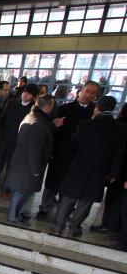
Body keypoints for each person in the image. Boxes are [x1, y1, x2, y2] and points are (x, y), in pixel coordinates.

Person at [50, 96, 127, 237]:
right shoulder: (121, 128)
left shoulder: (86, 125)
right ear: (114, 109)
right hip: (100, 170)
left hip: (78, 167)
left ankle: (58, 226)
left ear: (97, 108)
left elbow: (74, 141)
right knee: (86, 201)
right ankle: (74, 228)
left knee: (68, 198)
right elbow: (119, 154)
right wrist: (114, 173)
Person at [39, 81, 100, 214]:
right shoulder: (64, 109)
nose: (89, 95)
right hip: (61, 153)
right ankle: (45, 206)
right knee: (53, 181)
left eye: (93, 93)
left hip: (79, 155)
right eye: (87, 90)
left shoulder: (95, 113)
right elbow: (53, 132)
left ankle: (63, 210)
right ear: (81, 90)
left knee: (70, 185)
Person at [4, 96, 55, 226]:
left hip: (23, 163)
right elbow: (34, 149)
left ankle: (17, 214)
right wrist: (36, 169)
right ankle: (13, 217)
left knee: (23, 192)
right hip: (27, 165)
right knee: (21, 192)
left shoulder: (32, 116)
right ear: (47, 107)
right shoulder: (37, 122)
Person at [0, 83, 39, 199]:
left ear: (33, 96)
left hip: (17, 144)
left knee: (10, 169)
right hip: (4, 140)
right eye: (24, 92)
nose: (25, 94)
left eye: (28, 93)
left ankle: (6, 189)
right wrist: (0, 132)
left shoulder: (34, 109)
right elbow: (1, 120)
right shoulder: (12, 102)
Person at [93, 102, 127, 235]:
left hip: (119, 170)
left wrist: (113, 172)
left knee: (114, 199)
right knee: (120, 201)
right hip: (122, 170)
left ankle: (109, 226)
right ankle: (115, 226)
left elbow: (118, 152)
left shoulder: (119, 126)